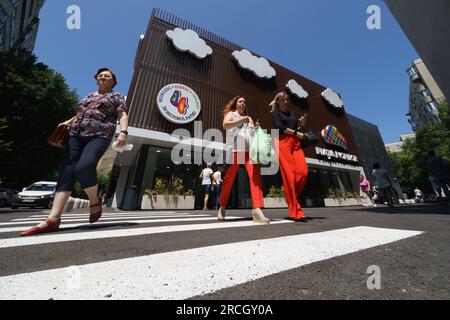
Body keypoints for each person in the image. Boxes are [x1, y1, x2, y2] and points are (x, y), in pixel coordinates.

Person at [20, 67, 128, 236]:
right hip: (75, 134)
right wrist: (67, 121)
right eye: (100, 75)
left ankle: (94, 201)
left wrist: (123, 132)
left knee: (84, 167)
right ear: (96, 79)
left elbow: (122, 115)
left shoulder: (116, 96)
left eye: (107, 75)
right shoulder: (88, 96)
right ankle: (53, 219)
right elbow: (81, 114)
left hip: (99, 134)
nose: (103, 77)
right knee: (66, 173)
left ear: (114, 81)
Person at [218, 96, 270, 224]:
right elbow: (225, 125)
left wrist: (256, 129)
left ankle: (257, 210)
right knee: (228, 180)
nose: (243, 103)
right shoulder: (231, 114)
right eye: (240, 101)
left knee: (255, 178)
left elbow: (251, 134)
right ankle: (222, 206)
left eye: (245, 102)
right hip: (235, 150)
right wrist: (242, 120)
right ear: (236, 104)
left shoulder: (249, 118)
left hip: (248, 151)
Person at [270, 91, 308, 222]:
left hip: (296, 144)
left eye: (287, 99)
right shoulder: (275, 113)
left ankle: (291, 195)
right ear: (278, 101)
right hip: (283, 143)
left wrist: (302, 124)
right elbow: (279, 127)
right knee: (289, 176)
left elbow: (299, 130)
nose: (286, 101)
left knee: (303, 172)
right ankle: (296, 212)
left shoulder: (292, 114)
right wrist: (296, 132)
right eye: (283, 99)